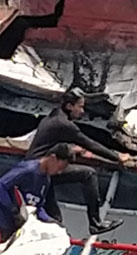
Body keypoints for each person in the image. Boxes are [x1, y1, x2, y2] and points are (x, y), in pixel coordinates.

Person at [26, 88, 129, 235]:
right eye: (80, 107)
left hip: (35, 171)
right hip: (41, 172)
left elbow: (50, 143)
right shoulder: (64, 125)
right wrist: (117, 157)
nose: (82, 111)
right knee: (89, 174)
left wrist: (70, 148)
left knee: (54, 220)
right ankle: (95, 223)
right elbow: (91, 144)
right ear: (69, 106)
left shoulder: (54, 116)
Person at [0, 143, 75, 247]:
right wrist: (13, 210)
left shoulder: (46, 180)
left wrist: (51, 221)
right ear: (52, 158)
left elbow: (37, 207)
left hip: (17, 225)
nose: (59, 172)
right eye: (59, 167)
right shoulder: (28, 169)